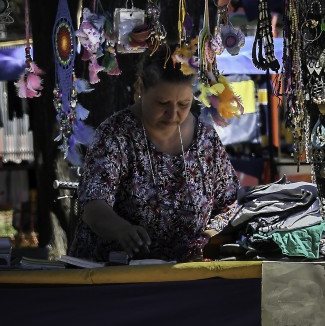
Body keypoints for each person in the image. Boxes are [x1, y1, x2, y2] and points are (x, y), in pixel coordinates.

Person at [69, 44, 239, 262]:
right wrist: (121, 229)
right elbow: (93, 204)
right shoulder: (115, 135)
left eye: (183, 104)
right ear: (141, 88)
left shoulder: (205, 138)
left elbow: (228, 203)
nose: (173, 114)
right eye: (162, 103)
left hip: (185, 275)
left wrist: (209, 237)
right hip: (115, 274)